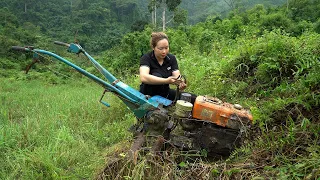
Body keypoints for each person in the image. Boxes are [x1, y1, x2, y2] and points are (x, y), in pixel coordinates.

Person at [139, 32, 196, 103]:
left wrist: (180, 83)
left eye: (166, 48)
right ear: (153, 47)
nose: (164, 51)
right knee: (157, 75)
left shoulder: (171, 58)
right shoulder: (146, 58)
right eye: (160, 48)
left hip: (165, 93)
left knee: (194, 99)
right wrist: (166, 80)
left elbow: (177, 76)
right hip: (148, 95)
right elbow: (144, 77)